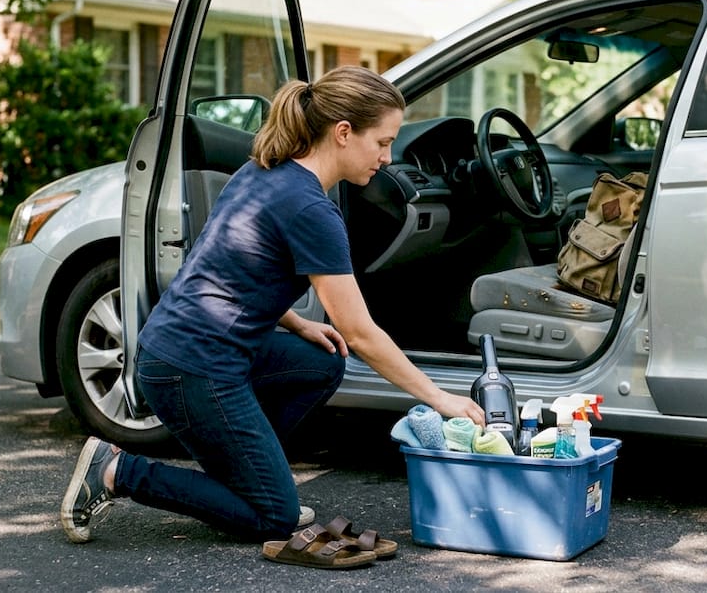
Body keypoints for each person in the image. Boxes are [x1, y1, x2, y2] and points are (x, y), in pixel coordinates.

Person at [60, 65, 485, 551]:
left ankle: (246, 473)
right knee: (277, 517)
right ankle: (117, 470)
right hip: (191, 366)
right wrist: (441, 398)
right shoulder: (311, 209)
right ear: (343, 133)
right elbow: (361, 331)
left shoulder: (266, 170)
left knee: (323, 361)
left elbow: (231, 266)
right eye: (382, 142)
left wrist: (297, 321)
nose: (387, 158)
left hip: (189, 349)